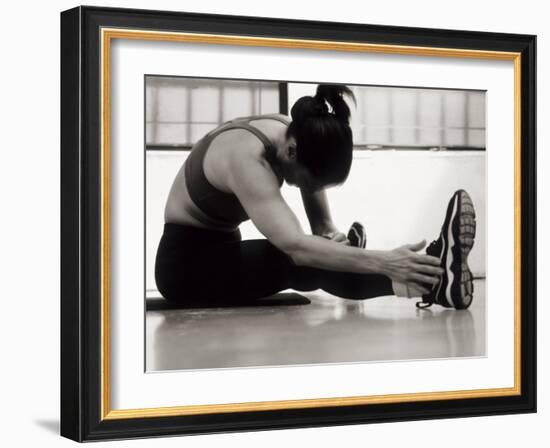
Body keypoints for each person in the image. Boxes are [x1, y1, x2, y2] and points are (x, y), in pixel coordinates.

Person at [154, 84, 476, 309]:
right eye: (309, 181)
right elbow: (296, 247)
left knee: (321, 251)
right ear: (292, 152)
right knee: (297, 260)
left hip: (222, 247)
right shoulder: (245, 157)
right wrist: (385, 260)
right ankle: (431, 281)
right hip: (186, 268)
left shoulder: (295, 134)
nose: (305, 187)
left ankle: (429, 276)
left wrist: (330, 237)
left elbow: (319, 226)